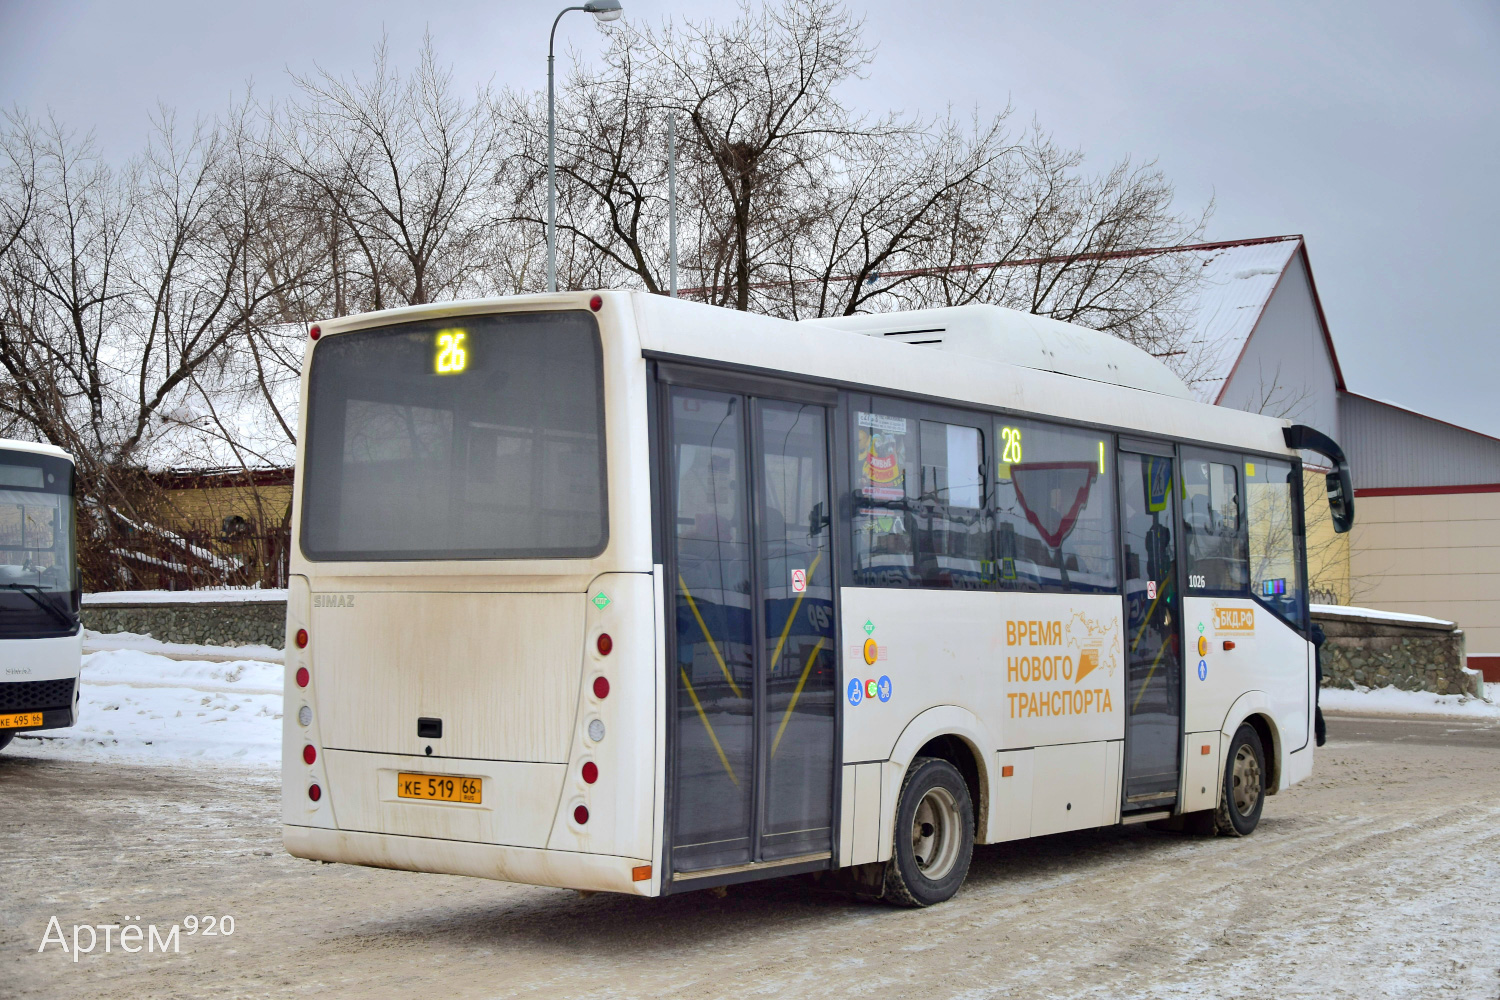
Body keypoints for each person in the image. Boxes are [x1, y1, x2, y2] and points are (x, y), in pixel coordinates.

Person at [1310, 622, 1328, 747]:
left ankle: (1320, 733)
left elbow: (1319, 639)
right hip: (1294, 673)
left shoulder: (1313, 628)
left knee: (1313, 706)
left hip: (1312, 675)